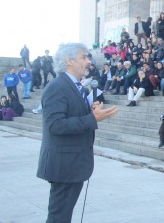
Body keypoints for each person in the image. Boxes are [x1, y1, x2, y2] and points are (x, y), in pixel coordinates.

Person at [36, 43, 118, 223]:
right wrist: (92, 119)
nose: (89, 61)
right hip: (64, 166)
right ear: (69, 61)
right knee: (59, 217)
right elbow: (55, 125)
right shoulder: (57, 86)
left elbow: (70, 115)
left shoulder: (75, 86)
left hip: (72, 164)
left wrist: (90, 111)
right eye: (84, 57)